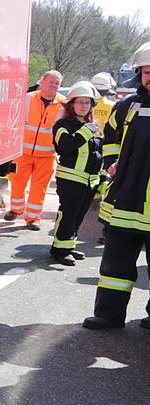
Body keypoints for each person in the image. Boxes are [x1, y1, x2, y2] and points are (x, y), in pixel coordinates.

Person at [84, 41, 150, 329]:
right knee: (115, 263)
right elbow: (109, 138)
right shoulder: (126, 106)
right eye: (146, 72)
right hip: (125, 200)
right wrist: (111, 161)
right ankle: (109, 315)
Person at [48, 81, 102, 265]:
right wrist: (85, 132)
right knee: (68, 214)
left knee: (79, 215)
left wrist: (101, 174)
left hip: (89, 181)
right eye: (80, 102)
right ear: (71, 104)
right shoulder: (63, 125)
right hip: (70, 180)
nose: (83, 106)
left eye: (87, 103)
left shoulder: (92, 125)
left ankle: (69, 245)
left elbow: (96, 152)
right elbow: (65, 147)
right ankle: (59, 250)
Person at [4, 70, 65, 230]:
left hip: (46, 155)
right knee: (17, 182)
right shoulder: (28, 98)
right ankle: (16, 209)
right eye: (51, 82)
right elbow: (14, 119)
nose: (54, 85)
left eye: (57, 83)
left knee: (39, 187)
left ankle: (33, 218)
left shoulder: (63, 105)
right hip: (22, 152)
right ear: (42, 82)